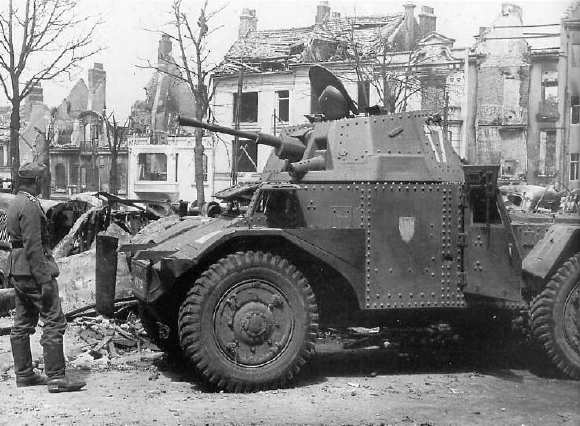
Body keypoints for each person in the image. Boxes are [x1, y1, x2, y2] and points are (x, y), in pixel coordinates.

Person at [7, 162, 85, 393]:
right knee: (54, 320)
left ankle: (24, 374)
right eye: (44, 179)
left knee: (22, 323)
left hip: (18, 271)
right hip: (33, 272)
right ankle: (57, 377)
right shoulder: (30, 206)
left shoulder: (16, 202)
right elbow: (33, 246)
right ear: (37, 181)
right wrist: (44, 281)